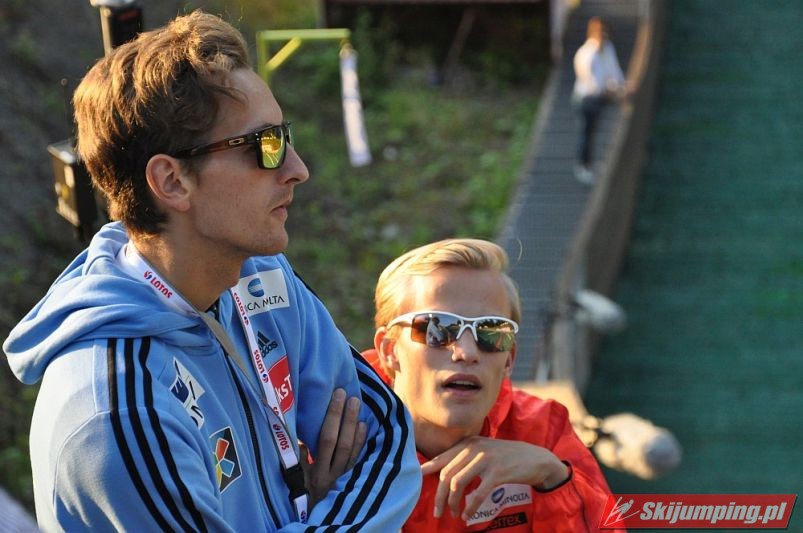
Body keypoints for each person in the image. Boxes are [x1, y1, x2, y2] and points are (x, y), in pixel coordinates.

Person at [2, 11, 420, 531]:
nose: (298, 169)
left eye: (285, 136)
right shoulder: (120, 415)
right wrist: (323, 512)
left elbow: (385, 439)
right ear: (172, 181)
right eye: (265, 145)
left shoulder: (261, 275)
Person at [365, 238, 621, 531]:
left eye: (491, 332)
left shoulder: (542, 431)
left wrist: (553, 478)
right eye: (438, 328)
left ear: (509, 359)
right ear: (389, 350)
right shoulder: (339, 433)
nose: (467, 352)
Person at [571, 16, 627, 185]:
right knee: (587, 133)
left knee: (598, 130)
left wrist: (621, 86)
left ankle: (596, 162)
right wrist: (614, 89)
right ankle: (583, 166)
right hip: (587, 99)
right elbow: (593, 84)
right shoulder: (586, 54)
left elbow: (614, 72)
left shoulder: (607, 48)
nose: (603, 36)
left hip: (602, 96)